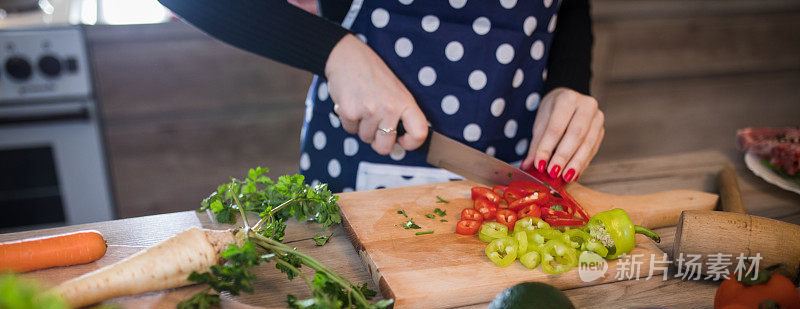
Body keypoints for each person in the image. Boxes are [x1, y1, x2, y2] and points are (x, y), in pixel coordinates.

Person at [159, 0, 604, 193]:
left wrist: (567, 84)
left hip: (514, 167)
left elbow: (572, 6)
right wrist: (334, 52)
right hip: (359, 164)